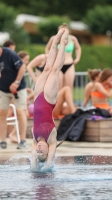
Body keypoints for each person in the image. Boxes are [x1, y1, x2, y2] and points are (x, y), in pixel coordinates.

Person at [31, 28, 69, 171]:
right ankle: (63, 44)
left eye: (38, 151)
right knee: (54, 70)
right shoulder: (51, 139)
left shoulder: (35, 139)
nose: (39, 149)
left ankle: (55, 40)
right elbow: (50, 158)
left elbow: (33, 159)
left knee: (47, 68)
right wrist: (46, 166)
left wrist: (35, 164)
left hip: (36, 98)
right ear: (48, 150)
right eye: (43, 152)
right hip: (47, 100)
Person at [0, 47, 28, 149]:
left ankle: (23, 140)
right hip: (3, 90)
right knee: (2, 113)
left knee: (20, 111)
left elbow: (22, 66)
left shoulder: (10, 53)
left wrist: (16, 83)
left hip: (18, 88)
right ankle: (3, 141)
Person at [45, 23, 81, 91]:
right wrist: (49, 58)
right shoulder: (54, 38)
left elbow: (78, 48)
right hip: (58, 65)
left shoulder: (73, 39)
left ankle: (68, 101)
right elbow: (47, 48)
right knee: (59, 88)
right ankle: (60, 101)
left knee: (68, 88)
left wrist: (77, 58)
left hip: (69, 64)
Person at [7, 51, 30, 143]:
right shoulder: (16, 68)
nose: (27, 62)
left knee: (23, 114)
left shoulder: (19, 69)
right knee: (20, 114)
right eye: (26, 60)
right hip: (12, 94)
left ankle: (13, 134)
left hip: (16, 93)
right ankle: (12, 134)